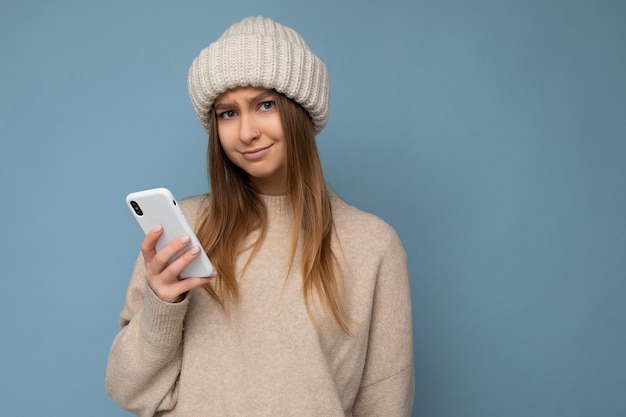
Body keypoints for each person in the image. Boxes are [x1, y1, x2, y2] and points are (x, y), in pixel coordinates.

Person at [106, 16, 414, 417]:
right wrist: (164, 303)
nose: (246, 132)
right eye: (227, 113)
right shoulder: (186, 229)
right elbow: (128, 390)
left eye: (265, 104)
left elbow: (384, 403)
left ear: (300, 112)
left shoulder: (372, 244)